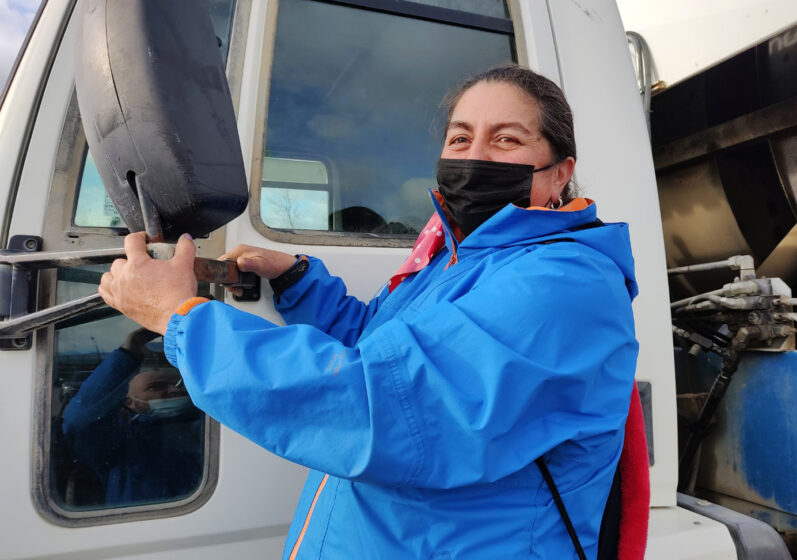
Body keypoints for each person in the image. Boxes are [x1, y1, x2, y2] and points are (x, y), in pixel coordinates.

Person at [98, 64, 643, 559]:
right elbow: (374, 343)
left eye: (506, 140)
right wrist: (295, 279)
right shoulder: (455, 262)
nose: (475, 155)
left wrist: (177, 316)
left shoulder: (565, 282)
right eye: (460, 138)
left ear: (556, 172)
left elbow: (381, 402)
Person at [62, 328, 204, 506]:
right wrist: (129, 353)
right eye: (156, 387)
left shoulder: (206, 427)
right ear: (130, 402)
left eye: (178, 383)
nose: (174, 390)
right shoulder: (121, 439)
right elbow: (79, 422)